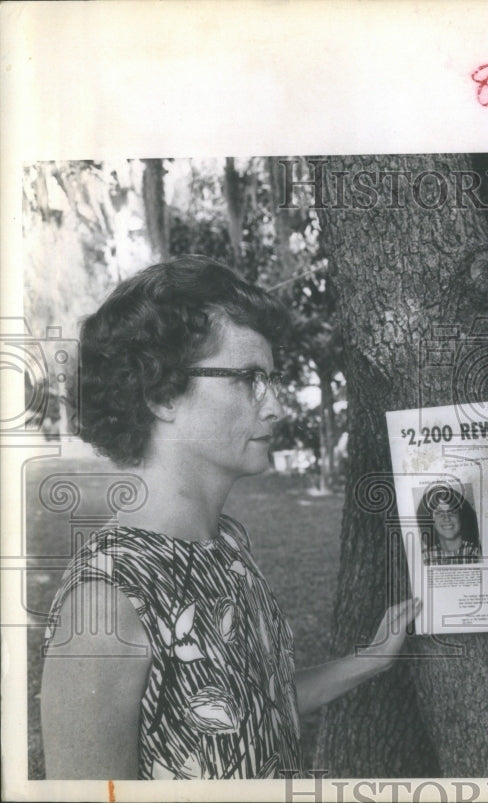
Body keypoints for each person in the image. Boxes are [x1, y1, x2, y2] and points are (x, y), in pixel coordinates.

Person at [40, 257, 419, 780]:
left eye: (272, 378)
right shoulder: (106, 603)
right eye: (248, 379)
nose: (276, 406)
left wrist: (368, 659)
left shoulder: (225, 545)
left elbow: (254, 708)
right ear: (160, 393)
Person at [417, 483, 481, 564]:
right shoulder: (425, 558)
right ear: (430, 520)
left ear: (461, 517)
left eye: (452, 511)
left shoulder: (477, 553)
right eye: (439, 512)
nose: (446, 518)